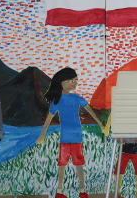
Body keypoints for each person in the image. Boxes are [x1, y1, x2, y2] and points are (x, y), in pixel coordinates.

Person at [37, 68, 109, 198]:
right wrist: (42, 134)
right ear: (62, 83)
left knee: (78, 165)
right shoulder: (57, 100)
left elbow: (90, 112)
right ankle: (59, 191)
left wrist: (101, 125)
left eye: (76, 80)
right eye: (72, 80)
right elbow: (49, 118)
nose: (75, 83)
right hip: (65, 139)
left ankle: (82, 190)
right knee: (62, 165)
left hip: (76, 138)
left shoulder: (76, 98)